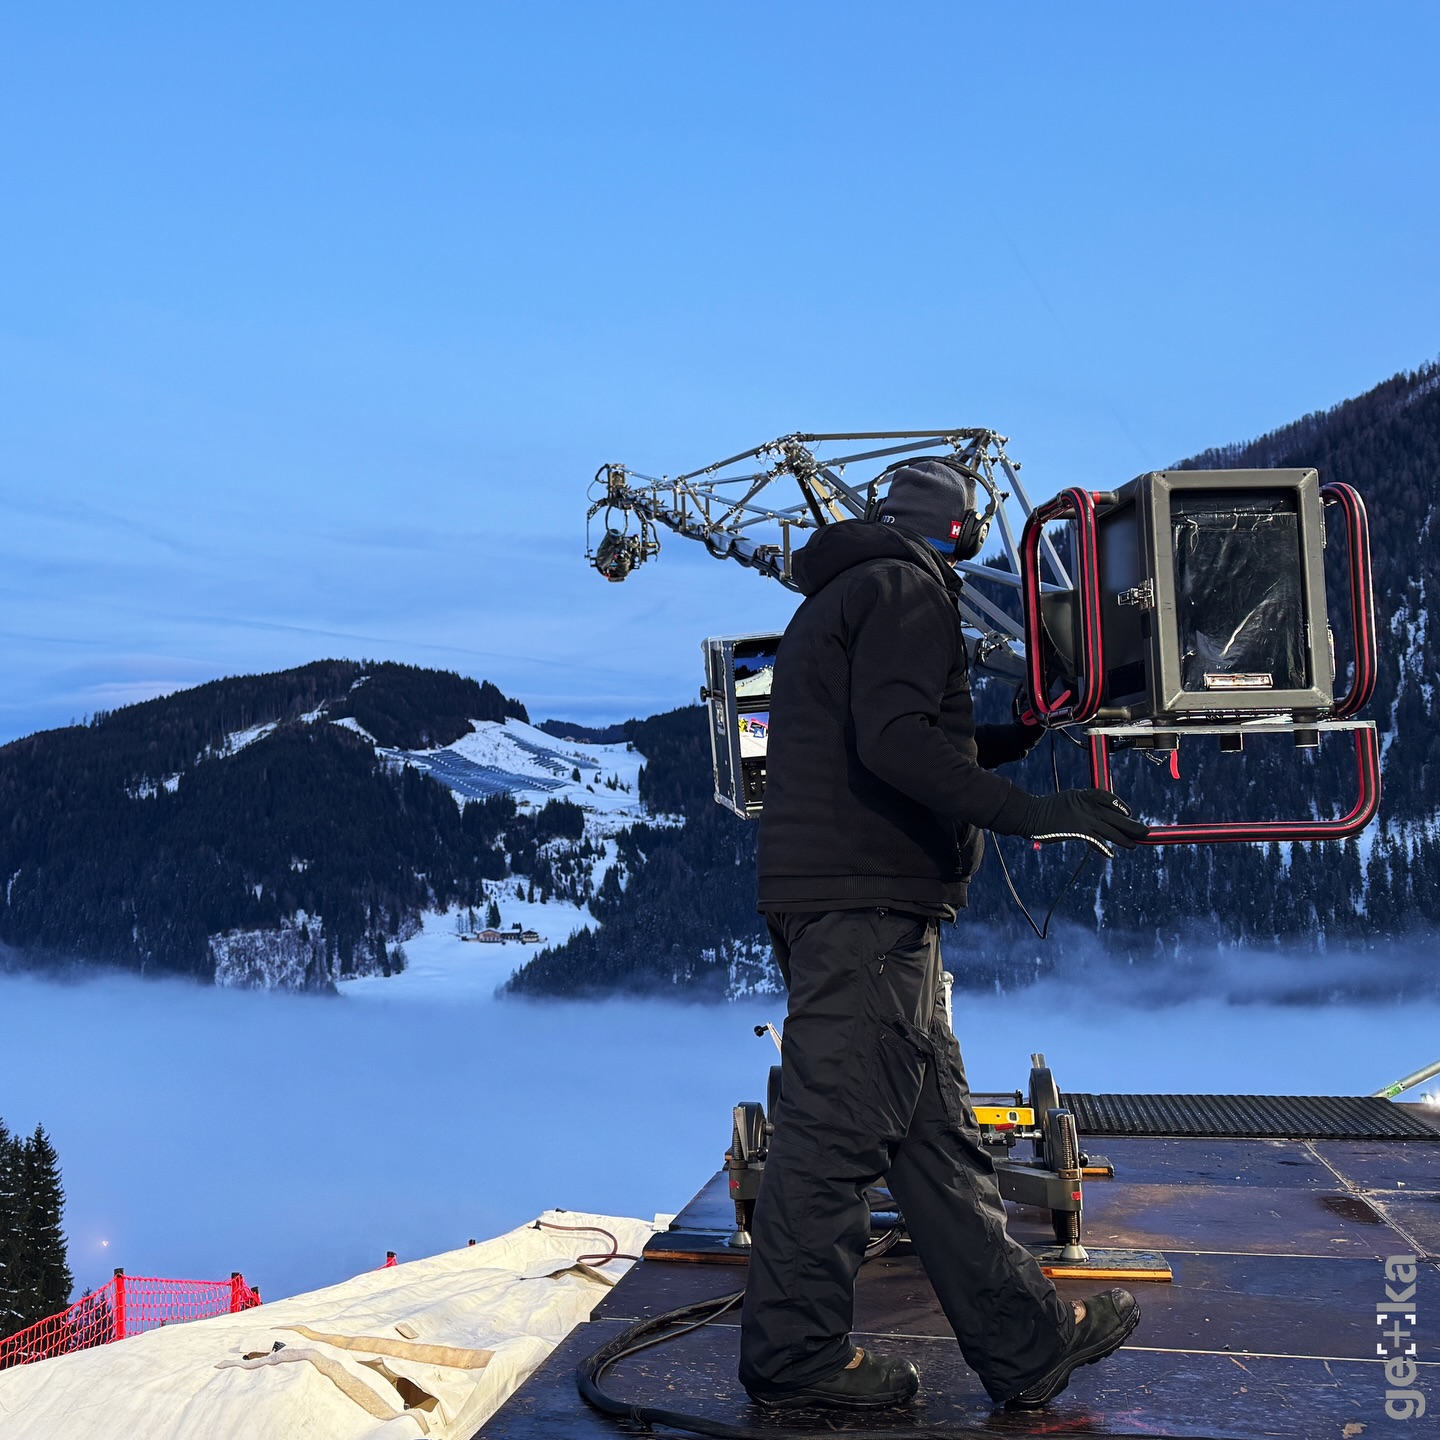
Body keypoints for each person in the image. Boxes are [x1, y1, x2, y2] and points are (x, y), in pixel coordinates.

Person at [739, 458, 1149, 1413]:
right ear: (959, 528)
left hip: (854, 909)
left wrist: (1009, 740)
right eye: (977, 523)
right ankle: (796, 1362)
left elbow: (890, 731)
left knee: (934, 1143)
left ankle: (1025, 1342)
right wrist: (1031, 811)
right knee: (834, 1137)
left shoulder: (849, 591)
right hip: (866, 911)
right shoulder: (906, 590)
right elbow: (894, 741)